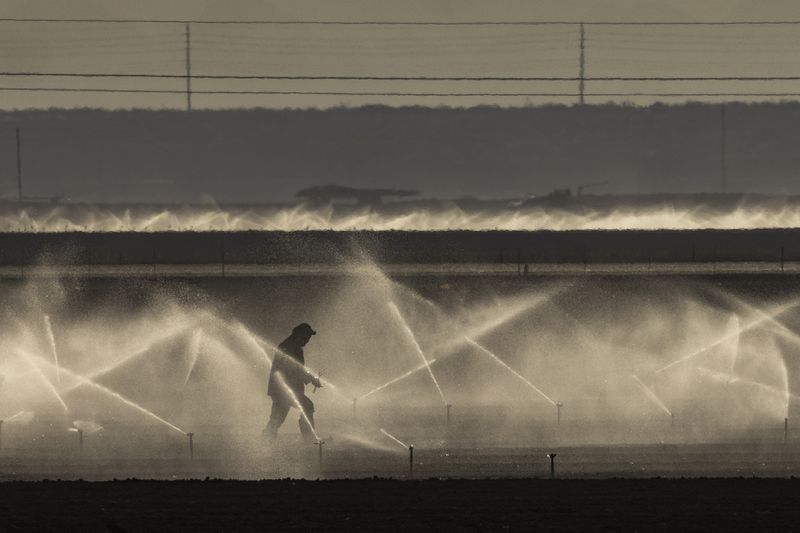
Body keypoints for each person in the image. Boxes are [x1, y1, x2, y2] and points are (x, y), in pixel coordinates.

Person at [265, 322, 322, 444]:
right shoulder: (290, 347)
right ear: (299, 335)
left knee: (277, 418)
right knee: (307, 406)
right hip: (284, 389)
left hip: (282, 389)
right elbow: (293, 369)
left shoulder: (292, 346)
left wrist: (310, 378)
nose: (307, 340)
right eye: (306, 337)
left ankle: (265, 440)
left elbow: (297, 369)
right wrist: (311, 379)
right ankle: (309, 439)